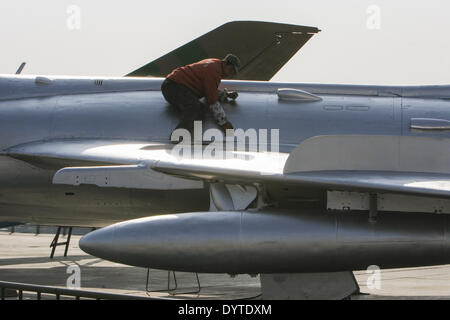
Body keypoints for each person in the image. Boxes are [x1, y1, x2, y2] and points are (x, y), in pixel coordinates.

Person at [161, 54, 241, 139]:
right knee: (193, 108)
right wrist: (224, 123)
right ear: (226, 63)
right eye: (231, 70)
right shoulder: (214, 71)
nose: (230, 74)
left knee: (201, 110)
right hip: (174, 86)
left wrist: (225, 95)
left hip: (178, 86)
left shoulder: (214, 64)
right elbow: (212, 100)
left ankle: (194, 138)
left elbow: (209, 89)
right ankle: (177, 137)